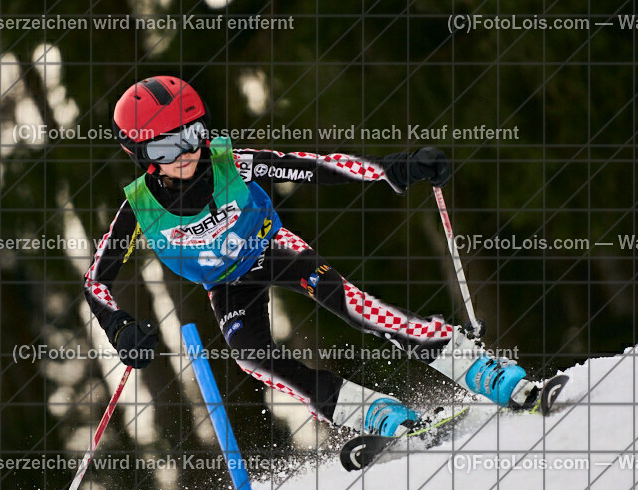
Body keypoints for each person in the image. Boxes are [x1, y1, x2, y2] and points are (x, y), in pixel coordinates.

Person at [84, 76, 539, 439]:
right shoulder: (139, 211)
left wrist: (391, 168)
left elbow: (311, 166)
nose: (185, 154)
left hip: (271, 247)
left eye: (192, 135)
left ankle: (476, 366)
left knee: (353, 305)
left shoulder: (232, 163)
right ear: (141, 155)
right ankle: (370, 411)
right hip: (225, 283)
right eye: (165, 148)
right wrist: (120, 328)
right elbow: (96, 282)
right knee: (252, 359)